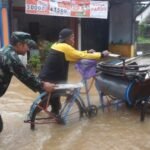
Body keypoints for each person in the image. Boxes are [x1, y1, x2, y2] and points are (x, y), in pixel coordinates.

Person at [38, 28, 109, 115]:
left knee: (49, 103)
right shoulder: (65, 47)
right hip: (52, 80)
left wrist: (87, 51)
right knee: (53, 105)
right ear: (66, 39)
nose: (73, 39)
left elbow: (75, 53)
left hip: (45, 78)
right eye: (72, 37)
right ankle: (49, 120)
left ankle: (35, 116)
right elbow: (79, 55)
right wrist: (101, 55)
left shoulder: (56, 45)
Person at [0, 31, 56, 132]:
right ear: (19, 45)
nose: (28, 48)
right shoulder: (11, 58)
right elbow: (25, 76)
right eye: (26, 45)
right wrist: (43, 85)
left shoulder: (5, 50)